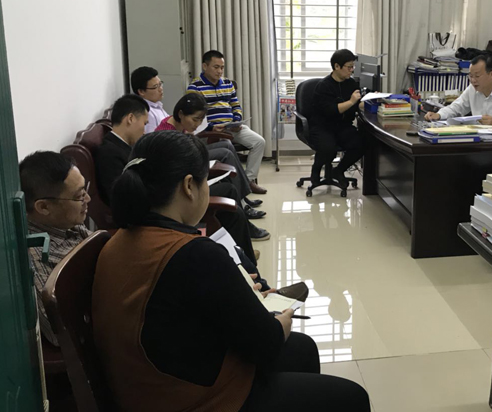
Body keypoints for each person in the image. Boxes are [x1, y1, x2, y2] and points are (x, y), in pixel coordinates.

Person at [92, 131, 370, 412]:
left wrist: (233, 293)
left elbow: (173, 307)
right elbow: (267, 344)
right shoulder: (194, 253)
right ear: (189, 186)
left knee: (303, 348)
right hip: (194, 399)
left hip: (150, 383)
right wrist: (281, 323)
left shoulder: (118, 240)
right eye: (205, 181)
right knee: (353, 397)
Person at [95, 95, 268, 261]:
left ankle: (240, 252)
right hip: (161, 202)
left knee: (229, 193)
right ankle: (244, 257)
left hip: (165, 192)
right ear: (131, 118)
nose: (145, 129)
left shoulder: (125, 146)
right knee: (229, 199)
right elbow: (121, 197)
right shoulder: (110, 153)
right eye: (144, 123)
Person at [20, 151, 92, 345]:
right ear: (44, 207)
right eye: (79, 196)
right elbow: (59, 332)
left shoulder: (65, 223)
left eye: (85, 190)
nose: (87, 199)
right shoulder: (35, 255)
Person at [156, 92, 265, 220]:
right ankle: (242, 204)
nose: (197, 124)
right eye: (195, 119)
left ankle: (243, 197)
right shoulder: (168, 134)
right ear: (181, 114)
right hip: (187, 163)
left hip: (190, 154)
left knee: (227, 144)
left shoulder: (178, 123)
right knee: (226, 153)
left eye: (200, 120)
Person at [188, 50, 267, 194]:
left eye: (222, 67)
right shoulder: (195, 87)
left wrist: (236, 121)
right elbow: (194, 115)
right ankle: (234, 183)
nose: (219, 71)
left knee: (259, 142)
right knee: (227, 147)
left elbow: (236, 106)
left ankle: (248, 181)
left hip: (232, 127)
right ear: (205, 66)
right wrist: (212, 127)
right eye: (216, 67)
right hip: (211, 131)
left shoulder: (227, 83)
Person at [309, 49, 365, 188]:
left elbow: (357, 104)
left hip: (342, 126)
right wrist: (351, 101)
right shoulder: (324, 86)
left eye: (353, 67)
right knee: (328, 148)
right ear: (337, 66)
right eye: (349, 67)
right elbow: (331, 110)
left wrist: (369, 101)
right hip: (323, 126)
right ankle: (316, 168)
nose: (351, 70)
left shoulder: (351, 84)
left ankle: (338, 171)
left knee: (361, 144)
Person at [424, 54, 492, 131]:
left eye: (477, 76)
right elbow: (456, 107)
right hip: (477, 141)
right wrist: (439, 115)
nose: (473, 80)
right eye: (470, 76)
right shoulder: (472, 89)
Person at [130, 66, 168, 134]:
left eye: (160, 84)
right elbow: (150, 138)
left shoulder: (156, 105)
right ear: (141, 91)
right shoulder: (147, 113)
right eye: (155, 86)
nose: (160, 89)